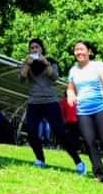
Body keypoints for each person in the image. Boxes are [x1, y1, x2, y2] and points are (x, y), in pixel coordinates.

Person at [19, 38, 86, 174]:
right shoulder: (27, 63)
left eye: (37, 47)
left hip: (50, 102)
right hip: (34, 102)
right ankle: (40, 159)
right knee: (31, 131)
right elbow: (21, 79)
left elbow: (54, 77)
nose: (34, 50)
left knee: (60, 132)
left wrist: (45, 62)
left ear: (42, 49)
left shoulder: (51, 62)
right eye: (31, 48)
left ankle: (78, 162)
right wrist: (27, 65)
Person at [67, 40, 103, 186]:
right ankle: (99, 174)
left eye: (82, 49)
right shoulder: (73, 70)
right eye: (76, 50)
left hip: (100, 108)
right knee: (89, 143)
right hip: (82, 111)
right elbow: (70, 88)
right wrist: (70, 94)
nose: (79, 52)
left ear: (89, 51)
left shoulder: (98, 65)